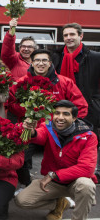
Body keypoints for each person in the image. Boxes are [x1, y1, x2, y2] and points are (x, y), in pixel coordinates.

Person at [16, 100, 97, 220]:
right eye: (57, 113)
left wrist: (54, 174)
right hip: (54, 183)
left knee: (86, 185)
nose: (60, 117)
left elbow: (87, 169)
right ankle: (60, 203)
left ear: (74, 118)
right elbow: (40, 136)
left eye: (66, 114)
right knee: (22, 200)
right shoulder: (49, 127)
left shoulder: (89, 136)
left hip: (74, 182)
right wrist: (32, 131)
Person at [7, 49, 89, 188]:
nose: (41, 63)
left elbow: (81, 106)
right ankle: (26, 184)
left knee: (62, 161)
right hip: (31, 130)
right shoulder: (22, 83)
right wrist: (29, 112)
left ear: (50, 63)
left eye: (44, 60)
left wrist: (68, 125)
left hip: (58, 131)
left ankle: (61, 191)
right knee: (20, 157)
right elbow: (11, 103)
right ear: (31, 63)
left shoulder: (64, 82)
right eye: (37, 60)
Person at [52, 23, 100, 135]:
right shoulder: (56, 57)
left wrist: (96, 103)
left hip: (88, 109)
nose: (68, 38)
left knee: (86, 144)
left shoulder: (95, 57)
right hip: (62, 109)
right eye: (65, 35)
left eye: (72, 34)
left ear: (81, 36)